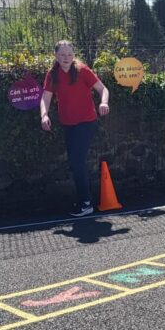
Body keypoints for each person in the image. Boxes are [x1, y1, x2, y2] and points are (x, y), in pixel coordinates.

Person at [40, 40, 110, 217]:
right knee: (75, 163)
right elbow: (46, 97)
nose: (66, 58)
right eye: (63, 55)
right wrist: (44, 115)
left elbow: (103, 89)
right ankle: (83, 199)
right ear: (56, 56)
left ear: (74, 55)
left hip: (86, 122)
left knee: (77, 162)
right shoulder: (52, 75)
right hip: (68, 124)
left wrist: (103, 102)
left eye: (70, 54)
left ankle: (86, 203)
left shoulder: (82, 70)